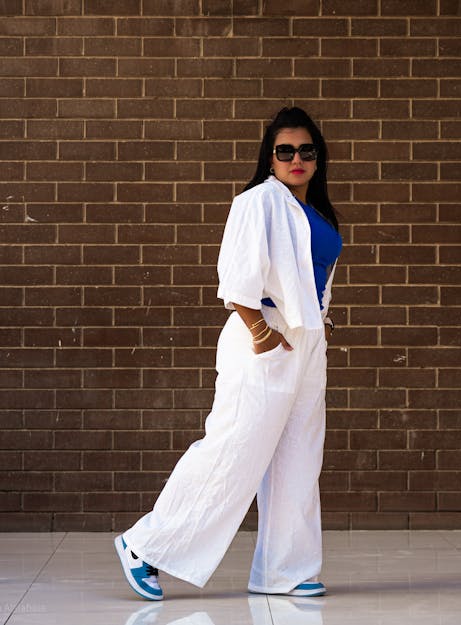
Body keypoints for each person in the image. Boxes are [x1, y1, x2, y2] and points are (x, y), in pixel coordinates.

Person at [114, 106, 343, 601]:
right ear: (270, 158)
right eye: (285, 151)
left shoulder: (316, 213)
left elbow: (312, 277)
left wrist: (319, 320)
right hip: (263, 337)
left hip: (306, 343)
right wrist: (260, 331)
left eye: (307, 150)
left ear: (318, 158)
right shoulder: (257, 201)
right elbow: (236, 276)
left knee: (299, 455)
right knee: (234, 448)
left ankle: (284, 570)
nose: (297, 158)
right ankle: (145, 545)